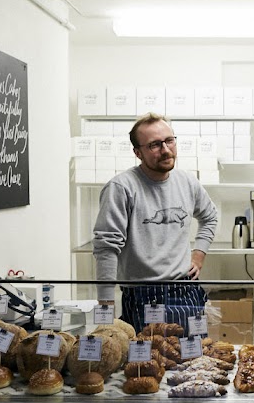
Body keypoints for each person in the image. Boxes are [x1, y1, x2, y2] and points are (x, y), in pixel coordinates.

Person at [92, 113, 218, 334]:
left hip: (185, 291)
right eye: (155, 145)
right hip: (142, 296)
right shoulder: (121, 188)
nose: (166, 150)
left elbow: (210, 217)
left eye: (169, 140)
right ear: (137, 152)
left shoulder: (187, 182)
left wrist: (199, 254)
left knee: (197, 365)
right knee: (146, 365)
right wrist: (106, 307)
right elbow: (106, 248)